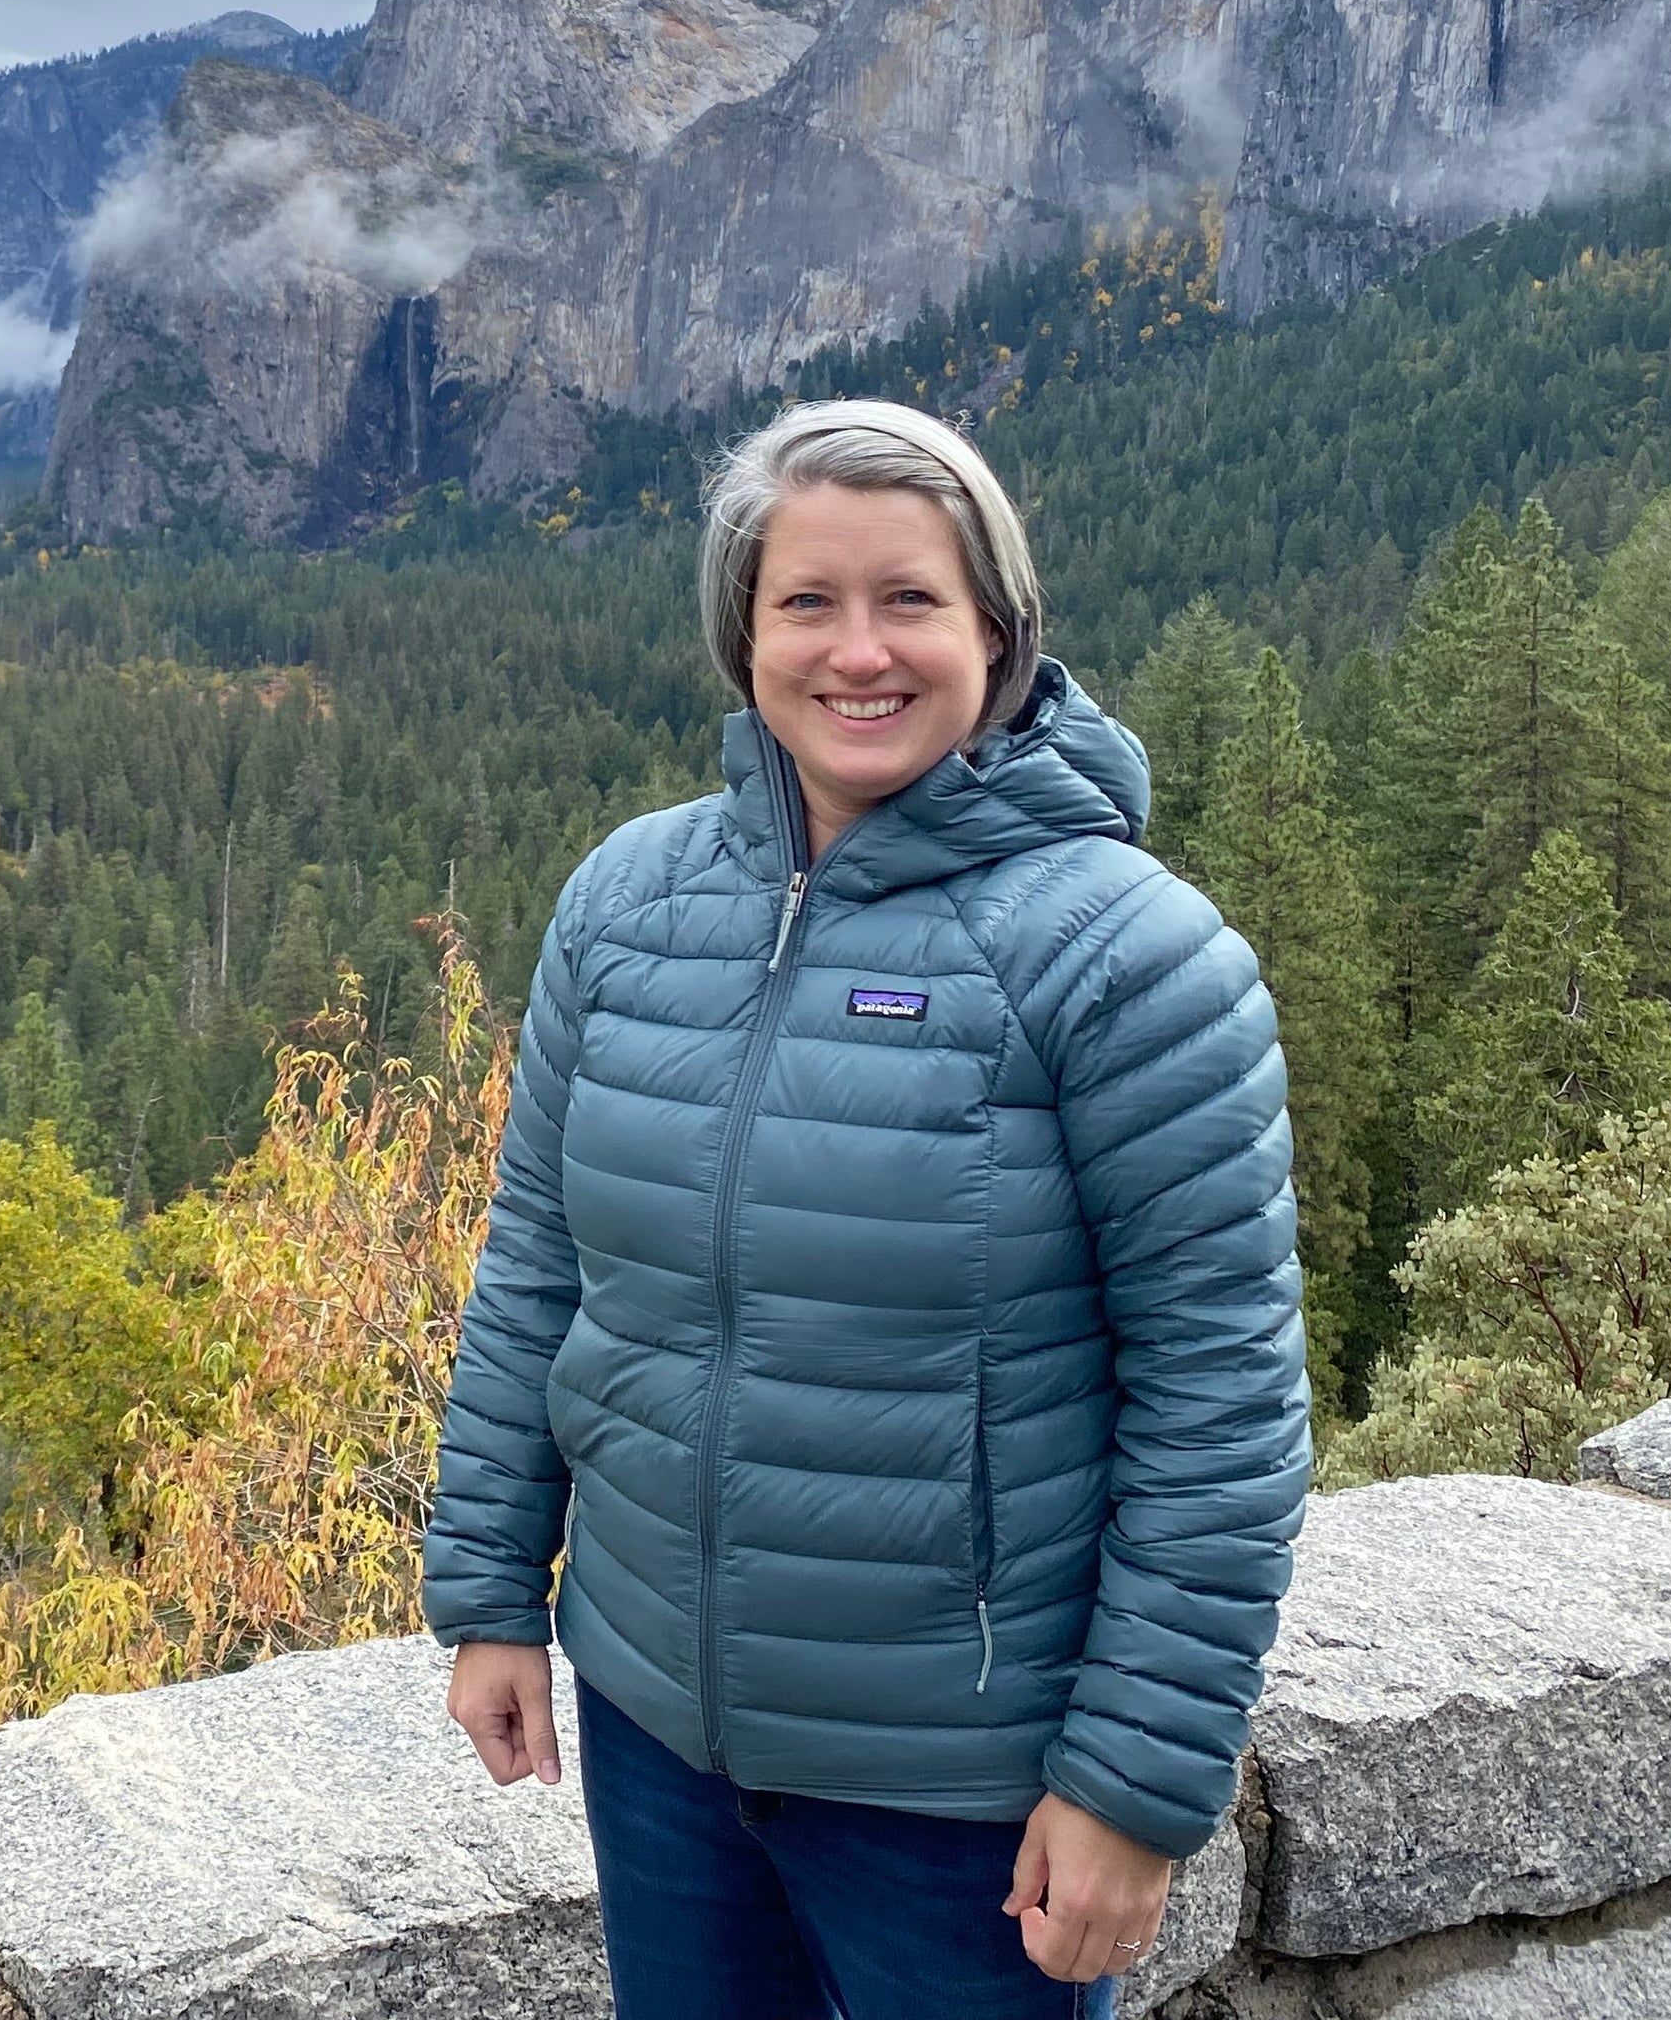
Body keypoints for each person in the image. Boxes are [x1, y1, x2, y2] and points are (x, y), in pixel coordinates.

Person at [423, 399, 1308, 2017]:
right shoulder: (627, 904)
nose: (859, 652)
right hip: (656, 1732)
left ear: (999, 631)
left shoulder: (1128, 956)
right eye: (807, 603)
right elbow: (542, 1270)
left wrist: (1131, 1785)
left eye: (910, 599)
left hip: (955, 1787)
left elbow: (1222, 1406)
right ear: (741, 635)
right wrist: (490, 1591)